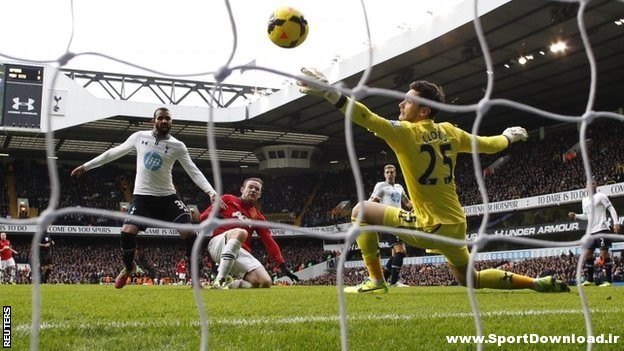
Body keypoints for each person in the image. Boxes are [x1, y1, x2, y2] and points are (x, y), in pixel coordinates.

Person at [298, 67, 569, 293]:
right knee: (469, 279)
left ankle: (376, 280)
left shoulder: (404, 133)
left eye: (408, 101)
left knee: (361, 210)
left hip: (429, 226)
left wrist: (330, 93)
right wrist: (509, 136)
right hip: (456, 226)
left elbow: (366, 117)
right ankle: (537, 283)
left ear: (424, 110)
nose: (401, 104)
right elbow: (489, 145)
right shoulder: (451, 132)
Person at [71, 106, 219, 289]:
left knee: (189, 232)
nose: (165, 121)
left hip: (168, 198)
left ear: (171, 122)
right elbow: (114, 153)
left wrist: (211, 192)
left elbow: (193, 171)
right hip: (142, 198)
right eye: (161, 118)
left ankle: (195, 279)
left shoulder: (178, 146)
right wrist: (87, 166)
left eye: (168, 119)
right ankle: (129, 267)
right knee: (126, 232)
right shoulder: (139, 137)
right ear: (153, 121)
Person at [199, 177, 300, 289]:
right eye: (250, 187)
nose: (253, 190)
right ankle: (220, 280)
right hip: (218, 244)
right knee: (241, 232)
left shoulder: (257, 217)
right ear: (242, 189)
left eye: (257, 189)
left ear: (259, 195)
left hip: (239, 251)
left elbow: (269, 241)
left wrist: (282, 265)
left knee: (265, 282)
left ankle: (232, 284)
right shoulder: (227, 199)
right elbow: (203, 217)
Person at [568, 179, 621, 287]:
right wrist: (576, 216)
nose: (591, 185)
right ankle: (590, 280)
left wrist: (615, 223)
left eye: (593, 183)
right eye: (588, 184)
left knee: (603, 255)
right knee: (588, 254)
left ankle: (608, 281)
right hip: (591, 232)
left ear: (596, 185)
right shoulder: (584, 200)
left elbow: (611, 209)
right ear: (586, 187)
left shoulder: (601, 196)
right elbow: (586, 215)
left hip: (602, 229)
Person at [370, 164, 413, 287]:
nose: (389, 174)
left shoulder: (399, 187)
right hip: (388, 221)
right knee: (401, 250)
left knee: (395, 253)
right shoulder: (381, 186)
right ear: (384, 174)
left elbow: (407, 202)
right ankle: (394, 282)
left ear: (395, 173)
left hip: (399, 221)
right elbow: (373, 201)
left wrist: (418, 207)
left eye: (391, 172)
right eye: (387, 172)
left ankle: (384, 279)